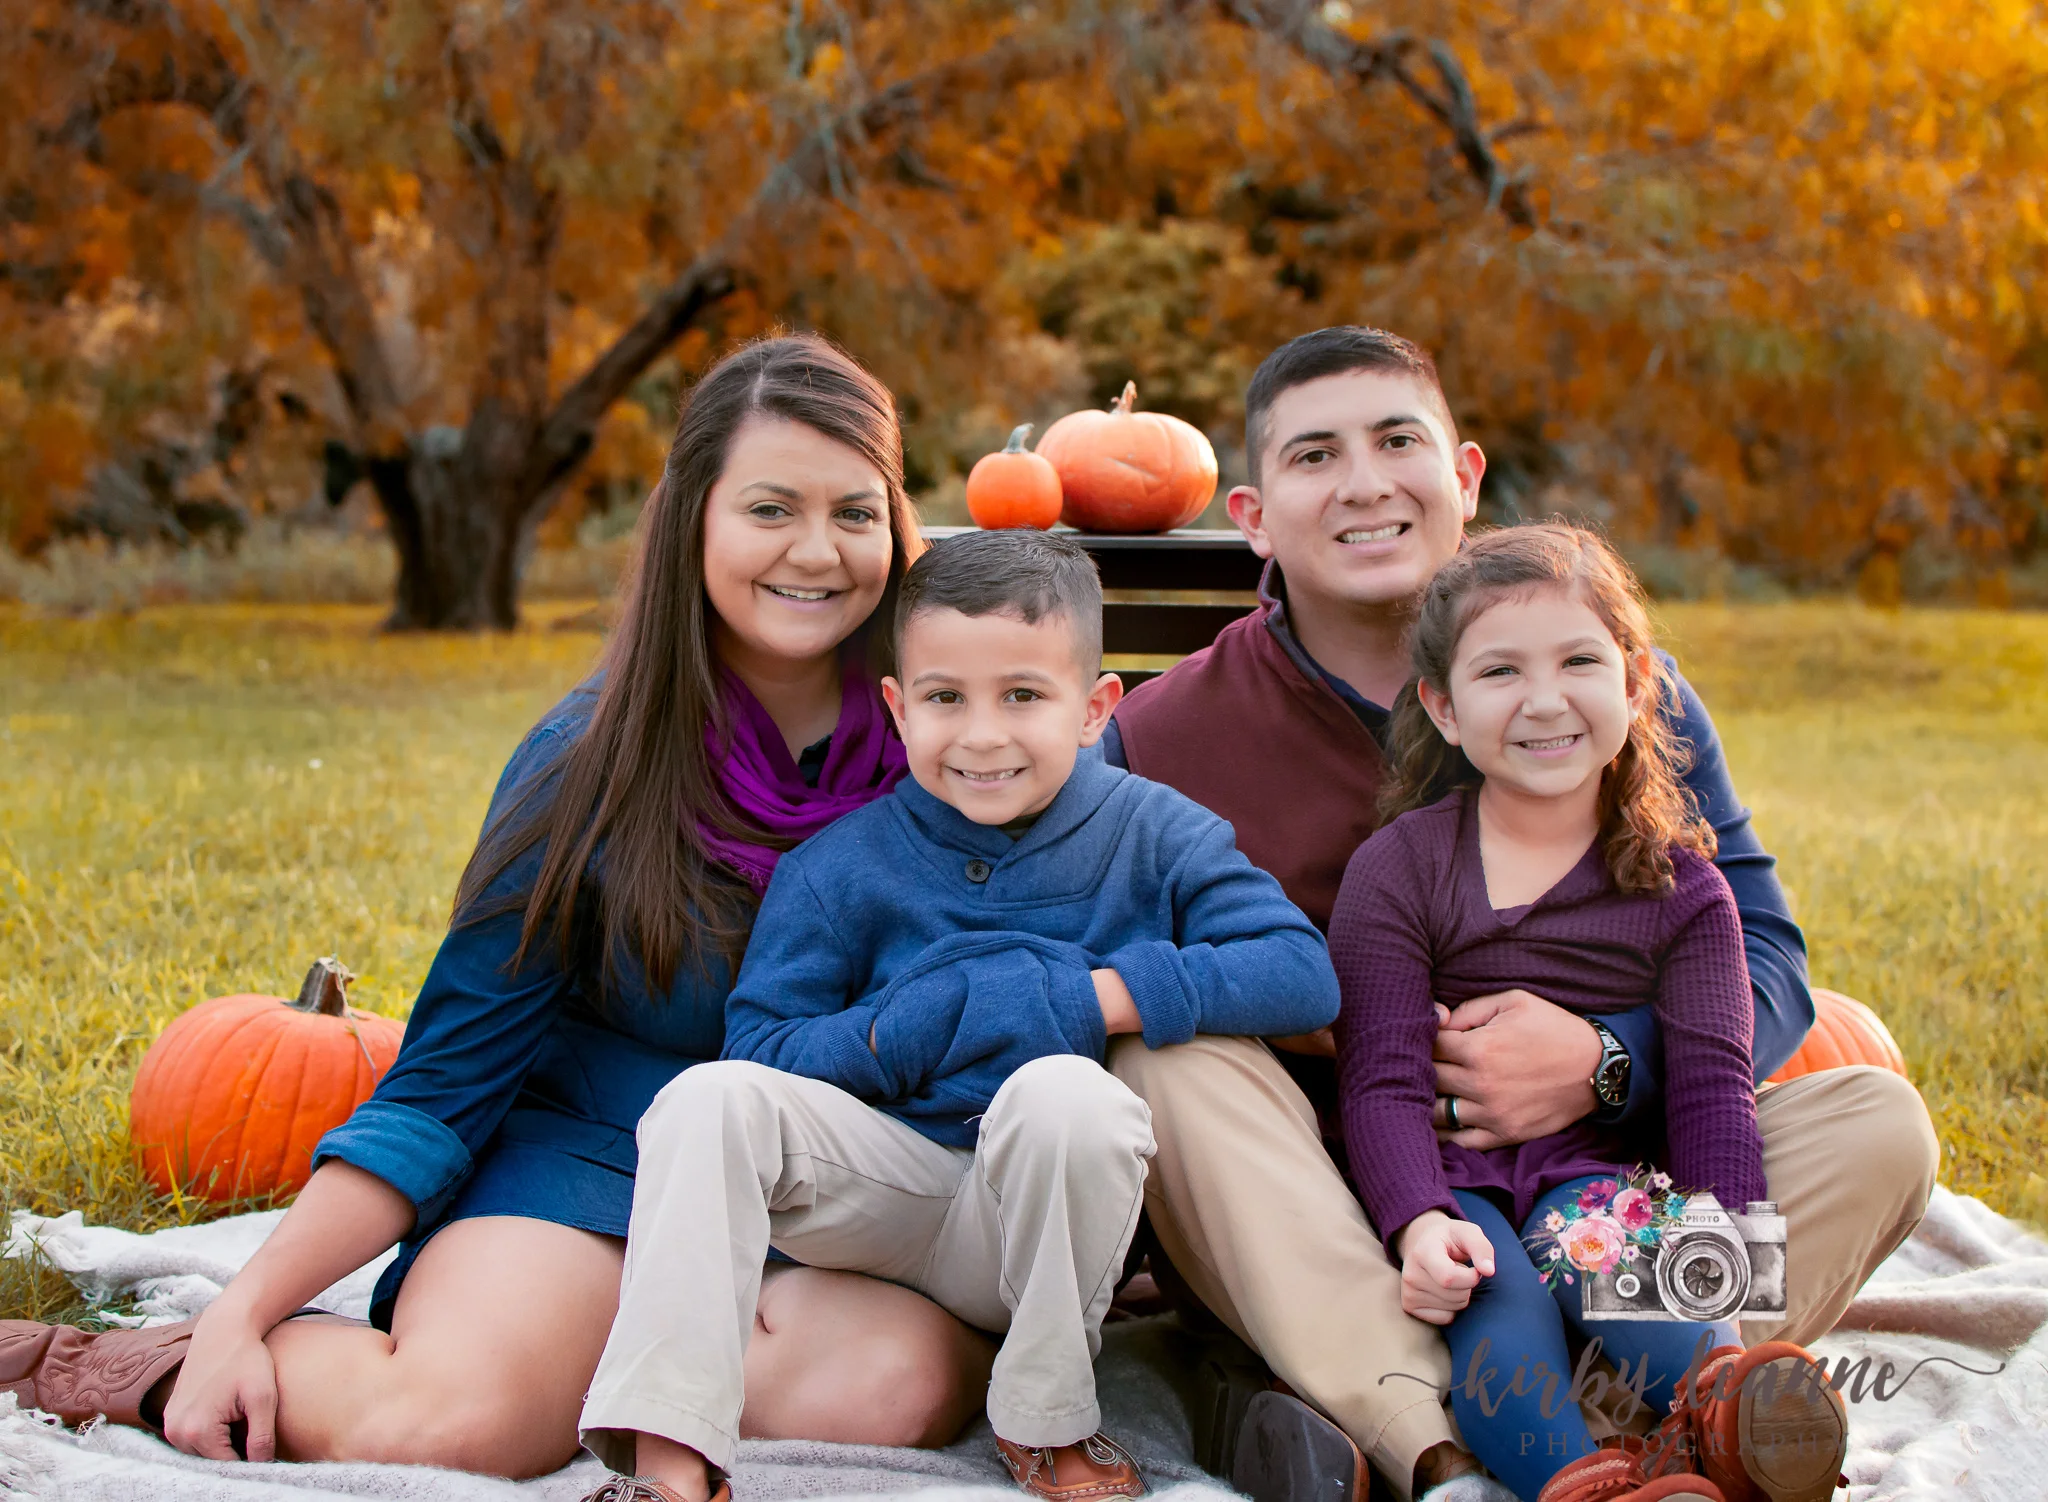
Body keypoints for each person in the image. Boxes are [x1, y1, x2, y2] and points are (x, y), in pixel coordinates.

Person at [0, 334, 997, 1474]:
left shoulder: (960, 752)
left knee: (889, 1389)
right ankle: (151, 1359)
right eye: (769, 508)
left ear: (897, 525)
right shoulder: (589, 763)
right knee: (451, 1423)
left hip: (828, 1207)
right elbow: (444, 1075)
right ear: (692, 522)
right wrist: (245, 1306)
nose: (816, 552)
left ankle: (596, 1362)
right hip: (593, 1163)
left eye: (854, 513)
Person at [1100, 327, 1938, 1501]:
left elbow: (1763, 955)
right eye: (1313, 455)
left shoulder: (1610, 689)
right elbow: (1111, 974)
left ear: (1465, 476)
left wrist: (1600, 1063)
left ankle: (1606, 1424)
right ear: (1251, 511)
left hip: (1602, 1189)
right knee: (1158, 1066)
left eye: (1398, 440)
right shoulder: (1159, 739)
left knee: (1875, 1118)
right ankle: (1425, 1433)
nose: (1364, 482)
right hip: (1342, 1201)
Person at [577, 528, 1341, 1502]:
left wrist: (1082, 998)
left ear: (1093, 707)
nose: (981, 735)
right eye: (944, 698)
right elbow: (762, 1048)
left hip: (1037, 1213)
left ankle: (1045, 1423)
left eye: (1022, 695)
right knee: (705, 1100)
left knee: (1074, 1096)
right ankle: (671, 1462)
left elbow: (1296, 972)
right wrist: (915, 1024)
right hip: (880, 1190)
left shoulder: (1154, 831)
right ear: (898, 707)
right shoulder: (842, 864)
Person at [1331, 522, 1848, 1502]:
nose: (1543, 698)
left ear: (1635, 683)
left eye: (1578, 659)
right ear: (1441, 707)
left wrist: (1726, 1257)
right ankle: (1578, 1482)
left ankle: (1731, 1416)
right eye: (1498, 671)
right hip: (1460, 1189)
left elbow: (1709, 1092)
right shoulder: (1397, 870)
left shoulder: (1684, 892)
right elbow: (1379, 1077)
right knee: (1499, 1317)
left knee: (1641, 1260)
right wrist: (1415, 1222)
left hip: (1597, 1174)